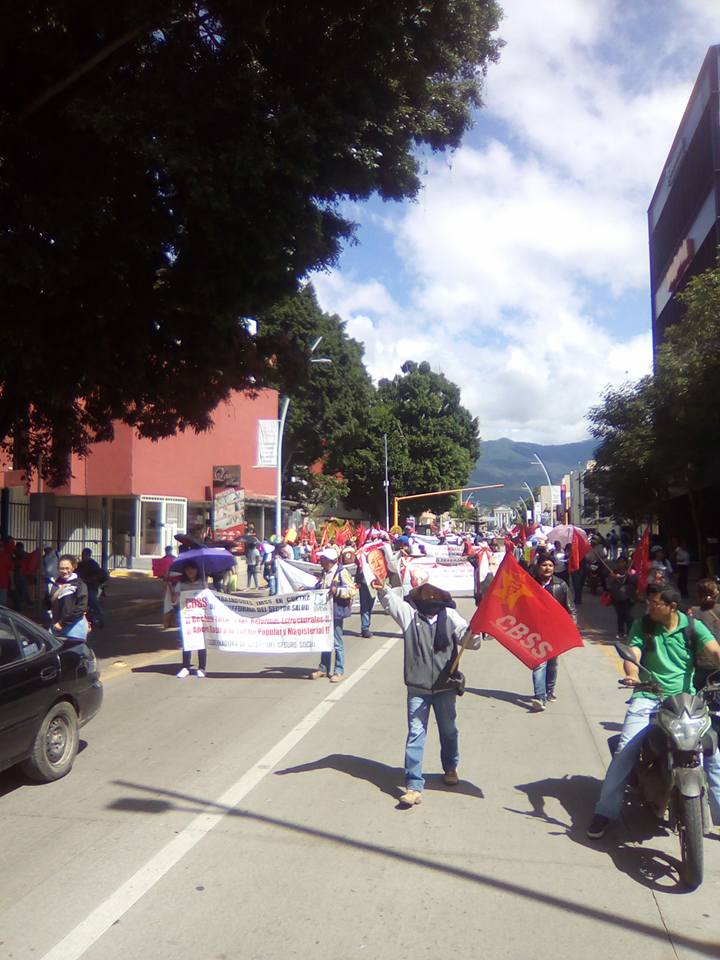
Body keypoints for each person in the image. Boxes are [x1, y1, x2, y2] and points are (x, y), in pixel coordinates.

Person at [587, 583, 720, 839]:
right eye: (648, 602)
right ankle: (605, 811)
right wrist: (633, 674)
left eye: (654, 603)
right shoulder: (643, 625)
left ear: (672, 606)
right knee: (625, 751)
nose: (649, 607)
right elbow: (633, 653)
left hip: (685, 701)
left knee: (712, 753)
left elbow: (715, 651)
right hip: (648, 696)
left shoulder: (692, 627)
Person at [375, 577, 469, 806]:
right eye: (426, 600)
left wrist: (474, 634)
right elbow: (391, 603)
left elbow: (470, 641)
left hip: (445, 687)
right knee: (416, 734)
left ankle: (450, 767)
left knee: (449, 731)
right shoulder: (410, 616)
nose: (430, 604)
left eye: (435, 601)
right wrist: (382, 589)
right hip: (418, 688)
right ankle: (413, 785)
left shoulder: (451, 617)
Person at [530, 555, 576, 711]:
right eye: (544, 565)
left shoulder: (561, 585)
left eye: (550, 565)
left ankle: (549, 690)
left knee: (552, 663)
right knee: (539, 662)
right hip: (535, 630)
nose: (547, 568)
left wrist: (571, 629)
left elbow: (571, 609)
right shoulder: (530, 583)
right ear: (538, 567)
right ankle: (539, 696)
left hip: (555, 630)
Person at [309, 547, 357, 683]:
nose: (320, 561)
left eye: (322, 559)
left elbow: (352, 590)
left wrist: (337, 591)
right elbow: (320, 587)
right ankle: (323, 668)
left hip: (336, 612)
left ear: (329, 561)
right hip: (325, 612)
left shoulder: (341, 573)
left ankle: (338, 670)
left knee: (337, 642)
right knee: (324, 640)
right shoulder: (325, 573)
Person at [173, 561, 207, 678]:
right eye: (188, 569)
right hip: (186, 618)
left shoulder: (203, 584)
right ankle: (185, 667)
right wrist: (175, 595)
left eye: (193, 569)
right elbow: (174, 601)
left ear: (197, 570)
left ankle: (202, 668)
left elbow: (208, 600)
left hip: (200, 618)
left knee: (201, 642)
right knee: (186, 642)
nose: (190, 572)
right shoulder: (180, 585)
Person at [47, 555, 89, 639]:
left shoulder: (79, 584)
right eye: (61, 568)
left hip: (74, 629)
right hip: (55, 628)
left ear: (73, 568)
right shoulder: (53, 583)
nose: (64, 571)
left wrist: (62, 623)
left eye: (67, 568)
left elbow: (81, 607)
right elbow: (47, 604)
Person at [607, 557, 638, 640]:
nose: (621, 564)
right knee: (620, 615)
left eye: (623, 562)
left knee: (629, 616)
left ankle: (629, 632)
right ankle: (620, 632)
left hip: (629, 597)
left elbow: (635, 582)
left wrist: (629, 576)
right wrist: (613, 578)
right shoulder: (614, 572)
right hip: (617, 597)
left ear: (626, 563)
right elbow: (609, 583)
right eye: (619, 562)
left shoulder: (631, 571)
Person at [76, 547, 107, 628]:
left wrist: (90, 579)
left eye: (85, 555)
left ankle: (99, 615)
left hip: (91, 586)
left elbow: (99, 575)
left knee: (91, 598)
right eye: (83, 555)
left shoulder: (93, 565)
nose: (84, 556)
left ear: (89, 555)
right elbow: (76, 573)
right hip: (81, 586)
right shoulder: (80, 564)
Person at [11, 541, 31, 610]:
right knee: (22, 590)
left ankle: (21, 605)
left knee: (20, 591)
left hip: (19, 575)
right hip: (22, 575)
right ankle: (24, 604)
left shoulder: (15, 554)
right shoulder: (25, 554)